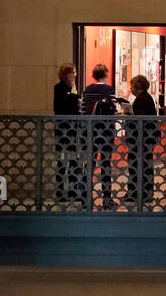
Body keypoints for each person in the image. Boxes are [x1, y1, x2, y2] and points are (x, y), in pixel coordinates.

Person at [81, 64, 118, 208]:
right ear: (106, 74)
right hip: (106, 131)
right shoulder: (109, 90)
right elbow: (113, 110)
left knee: (89, 164)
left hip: (90, 131)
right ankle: (107, 199)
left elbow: (84, 111)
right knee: (105, 165)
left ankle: (86, 198)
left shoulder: (87, 90)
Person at [125, 74, 158, 208]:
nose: (131, 88)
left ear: (137, 86)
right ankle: (144, 191)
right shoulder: (146, 98)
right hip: (147, 137)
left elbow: (140, 118)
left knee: (137, 163)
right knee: (144, 163)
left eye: (132, 85)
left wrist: (129, 113)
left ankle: (137, 192)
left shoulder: (141, 99)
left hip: (141, 138)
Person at [53, 64, 82, 204]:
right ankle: (60, 190)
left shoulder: (73, 88)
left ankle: (72, 189)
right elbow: (60, 107)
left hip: (73, 129)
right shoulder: (59, 88)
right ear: (66, 75)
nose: (75, 75)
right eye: (73, 73)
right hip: (63, 129)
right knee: (62, 160)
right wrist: (74, 96)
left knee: (73, 160)